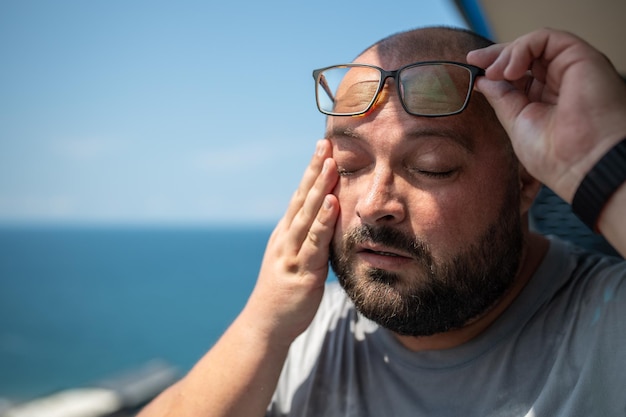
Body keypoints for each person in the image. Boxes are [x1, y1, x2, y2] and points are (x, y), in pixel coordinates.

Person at [138, 26, 626, 417]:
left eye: (432, 166)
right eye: (349, 165)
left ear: (525, 181)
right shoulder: (305, 333)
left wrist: (597, 162)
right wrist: (263, 326)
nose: (373, 204)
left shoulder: (606, 330)